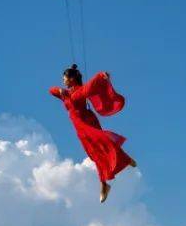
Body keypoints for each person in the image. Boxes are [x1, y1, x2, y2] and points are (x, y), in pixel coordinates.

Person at [49, 64, 137, 202]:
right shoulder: (66, 94)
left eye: (64, 78)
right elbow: (51, 90)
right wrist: (59, 90)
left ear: (71, 79)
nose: (63, 80)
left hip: (87, 123)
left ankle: (123, 159)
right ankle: (104, 184)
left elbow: (91, 85)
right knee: (95, 155)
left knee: (102, 140)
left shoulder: (79, 91)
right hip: (80, 128)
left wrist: (101, 75)